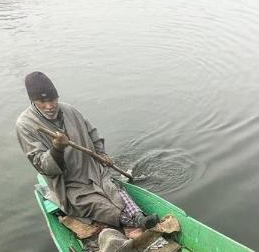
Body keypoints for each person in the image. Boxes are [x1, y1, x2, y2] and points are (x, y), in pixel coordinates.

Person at [15, 71, 156, 231]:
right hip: (69, 184)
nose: (50, 106)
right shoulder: (25, 125)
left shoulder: (69, 110)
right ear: (33, 101)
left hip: (93, 170)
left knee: (115, 191)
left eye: (52, 99)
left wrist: (101, 154)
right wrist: (57, 148)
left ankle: (139, 216)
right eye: (42, 101)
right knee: (99, 205)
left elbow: (92, 134)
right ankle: (136, 222)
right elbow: (43, 166)